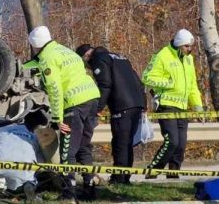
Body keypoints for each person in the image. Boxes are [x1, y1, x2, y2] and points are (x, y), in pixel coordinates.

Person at [24, 26, 100, 199]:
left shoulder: (47, 60)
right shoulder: (64, 51)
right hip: (92, 98)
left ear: (35, 45)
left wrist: (58, 118)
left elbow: (55, 90)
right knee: (83, 146)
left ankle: (68, 193)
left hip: (74, 103)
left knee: (67, 152)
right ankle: (90, 188)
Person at [76, 44, 145, 184]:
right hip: (136, 103)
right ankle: (125, 178)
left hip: (121, 105)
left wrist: (98, 108)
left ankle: (118, 179)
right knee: (127, 143)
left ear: (86, 56)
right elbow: (138, 82)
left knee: (120, 143)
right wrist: (143, 103)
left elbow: (105, 84)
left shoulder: (99, 59)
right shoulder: (120, 57)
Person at [142, 29, 202, 178]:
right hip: (166, 104)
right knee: (172, 141)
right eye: (187, 46)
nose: (190, 50)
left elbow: (192, 84)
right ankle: (154, 169)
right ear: (179, 44)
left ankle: (173, 173)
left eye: (191, 46)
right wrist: (168, 83)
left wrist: (197, 106)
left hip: (182, 106)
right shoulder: (162, 55)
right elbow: (146, 77)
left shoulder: (189, 59)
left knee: (181, 144)